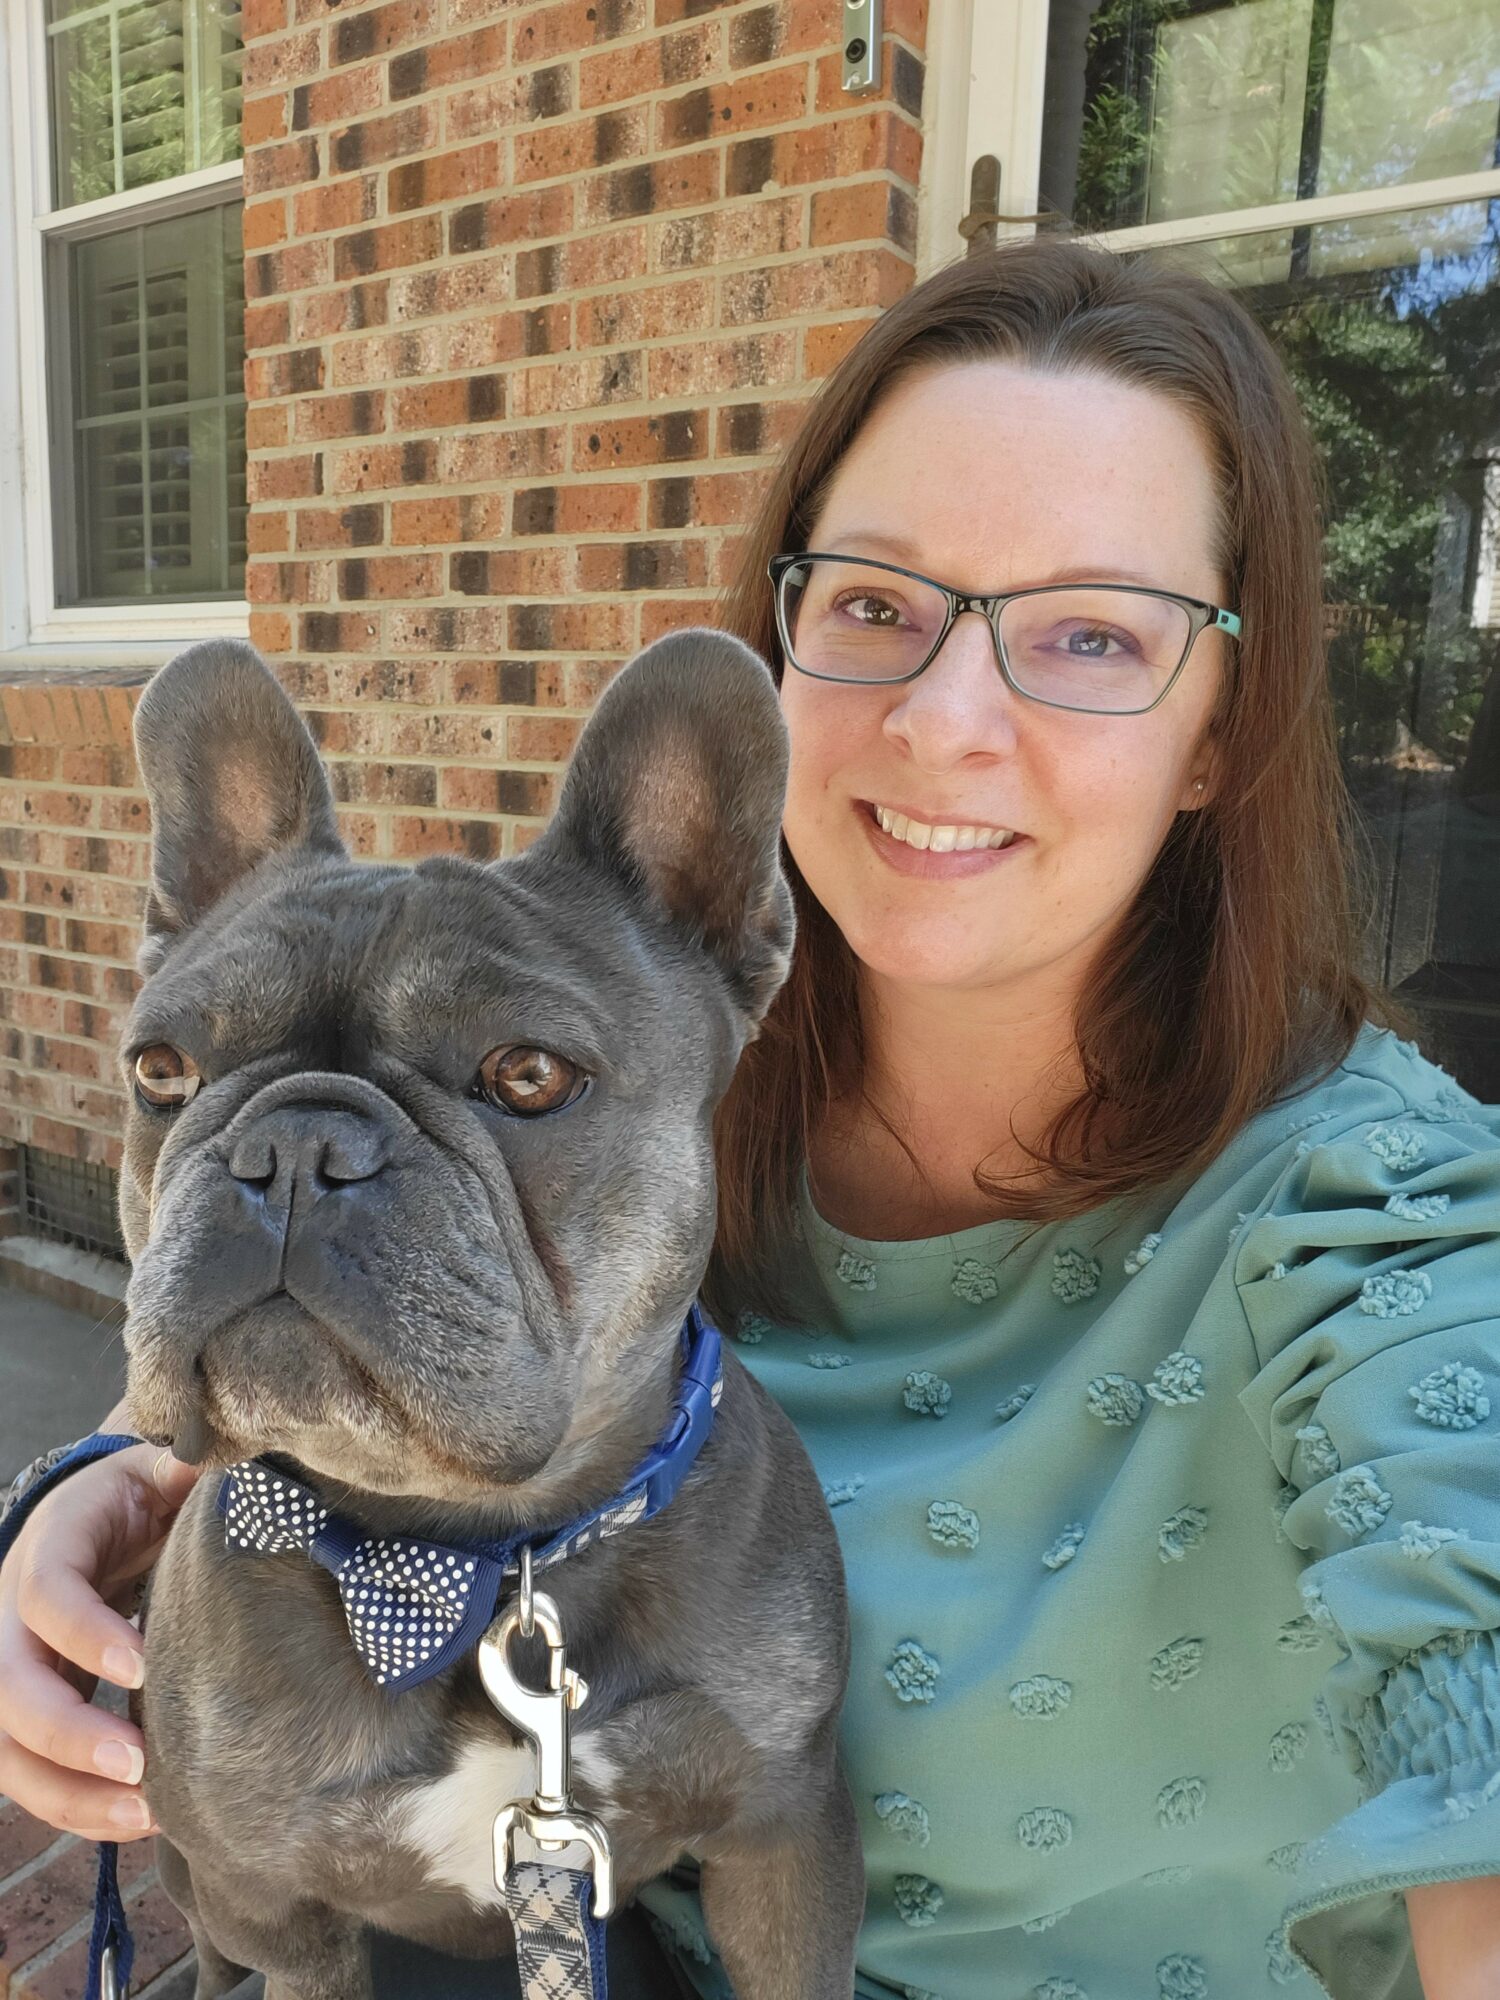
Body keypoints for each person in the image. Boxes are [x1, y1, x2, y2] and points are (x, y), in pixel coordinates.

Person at [3, 239, 1498, 2000]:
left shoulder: (1375, 1228)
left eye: (1092, 634)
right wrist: (112, 1480)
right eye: (875, 605)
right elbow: (331, 1258)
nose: (944, 720)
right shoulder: (666, 1043)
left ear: (1221, 732)